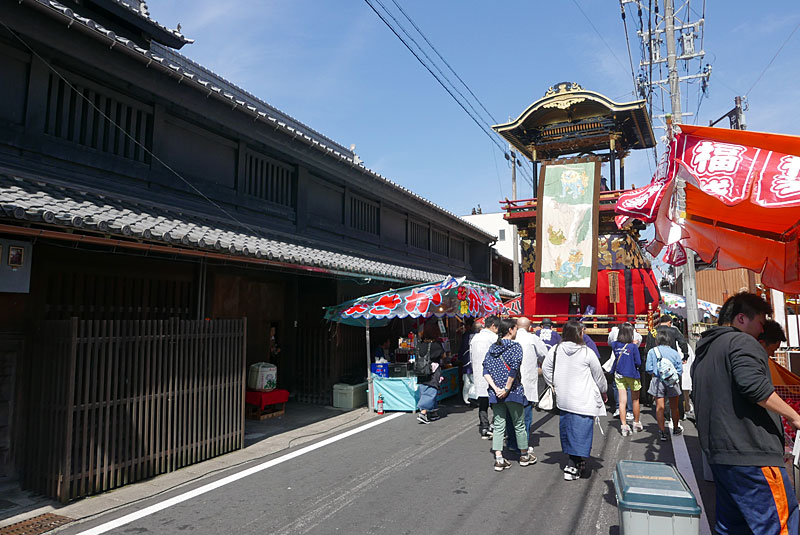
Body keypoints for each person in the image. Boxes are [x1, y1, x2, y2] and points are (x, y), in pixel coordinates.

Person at [692, 292, 800, 534]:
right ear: (741, 318)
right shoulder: (741, 342)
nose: (762, 331)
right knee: (779, 526)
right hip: (753, 455)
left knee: (732, 528)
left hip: (721, 457)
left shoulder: (705, 351)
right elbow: (754, 386)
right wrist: (795, 417)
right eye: (760, 322)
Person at [542, 320, 607, 481]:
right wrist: (603, 390)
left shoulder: (556, 349)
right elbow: (599, 375)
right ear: (579, 333)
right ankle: (573, 464)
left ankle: (576, 462)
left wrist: (553, 384)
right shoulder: (586, 352)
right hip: (583, 399)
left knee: (568, 430)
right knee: (582, 432)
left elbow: (545, 368)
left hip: (564, 399)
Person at [483, 318, 533, 470]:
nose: (516, 331)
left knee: (499, 425)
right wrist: (506, 388)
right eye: (516, 328)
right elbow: (513, 369)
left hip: (495, 393)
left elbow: (485, 371)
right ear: (510, 330)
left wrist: (496, 388)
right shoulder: (515, 347)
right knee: (519, 424)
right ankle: (524, 455)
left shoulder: (493, 348)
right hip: (513, 391)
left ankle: (499, 458)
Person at [511, 316, 548, 460]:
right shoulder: (533, 339)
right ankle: (523, 445)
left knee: (511, 415)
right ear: (529, 326)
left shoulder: (510, 338)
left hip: (510, 382)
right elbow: (545, 355)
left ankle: (512, 443)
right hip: (527, 382)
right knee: (525, 415)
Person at [645, 330, 683, 441]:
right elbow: (679, 370)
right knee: (674, 407)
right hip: (672, 382)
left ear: (657, 340)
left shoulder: (652, 352)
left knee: (659, 407)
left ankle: (662, 432)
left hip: (657, 381)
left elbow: (648, 368)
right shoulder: (674, 353)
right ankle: (676, 428)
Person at [469, 315, 500, 438]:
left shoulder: (475, 338)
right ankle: (493, 425)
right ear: (493, 326)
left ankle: (484, 426)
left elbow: (471, 357)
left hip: (478, 372)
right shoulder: (494, 338)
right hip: (492, 374)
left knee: (482, 403)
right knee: (496, 402)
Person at [610, 323, 643, 436]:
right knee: (635, 400)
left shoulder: (614, 345)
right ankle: (636, 423)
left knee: (622, 401)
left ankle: (624, 426)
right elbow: (638, 362)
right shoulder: (633, 347)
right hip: (632, 374)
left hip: (619, 374)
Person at [416, 320, 444, 424]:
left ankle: (433, 412)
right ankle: (423, 413)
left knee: (424, 390)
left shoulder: (420, 344)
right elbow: (443, 355)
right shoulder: (436, 344)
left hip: (421, 370)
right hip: (432, 371)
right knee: (431, 391)